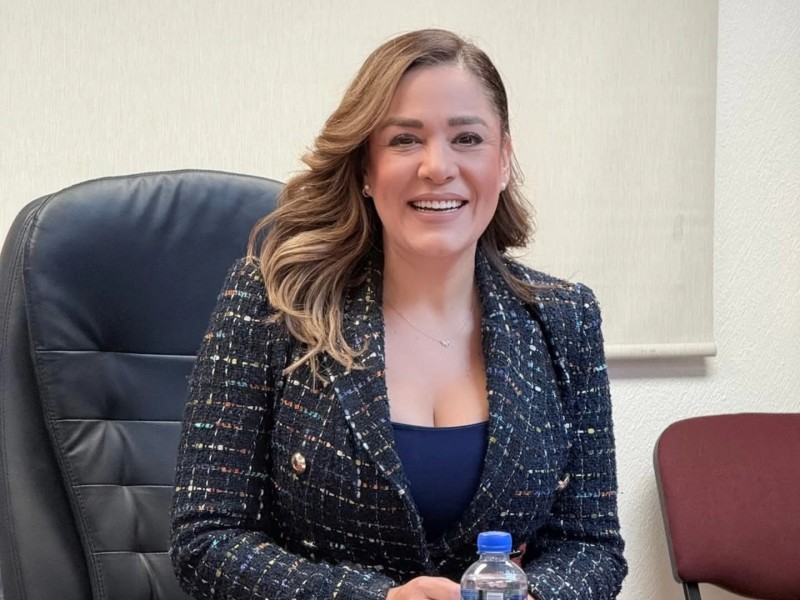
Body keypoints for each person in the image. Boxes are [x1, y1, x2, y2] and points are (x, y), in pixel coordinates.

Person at [170, 28, 627, 600]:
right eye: (405, 140)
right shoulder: (276, 300)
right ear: (366, 166)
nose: (438, 167)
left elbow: (591, 546)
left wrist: (523, 596)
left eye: (467, 138)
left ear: (504, 160)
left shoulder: (564, 317)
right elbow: (207, 540)